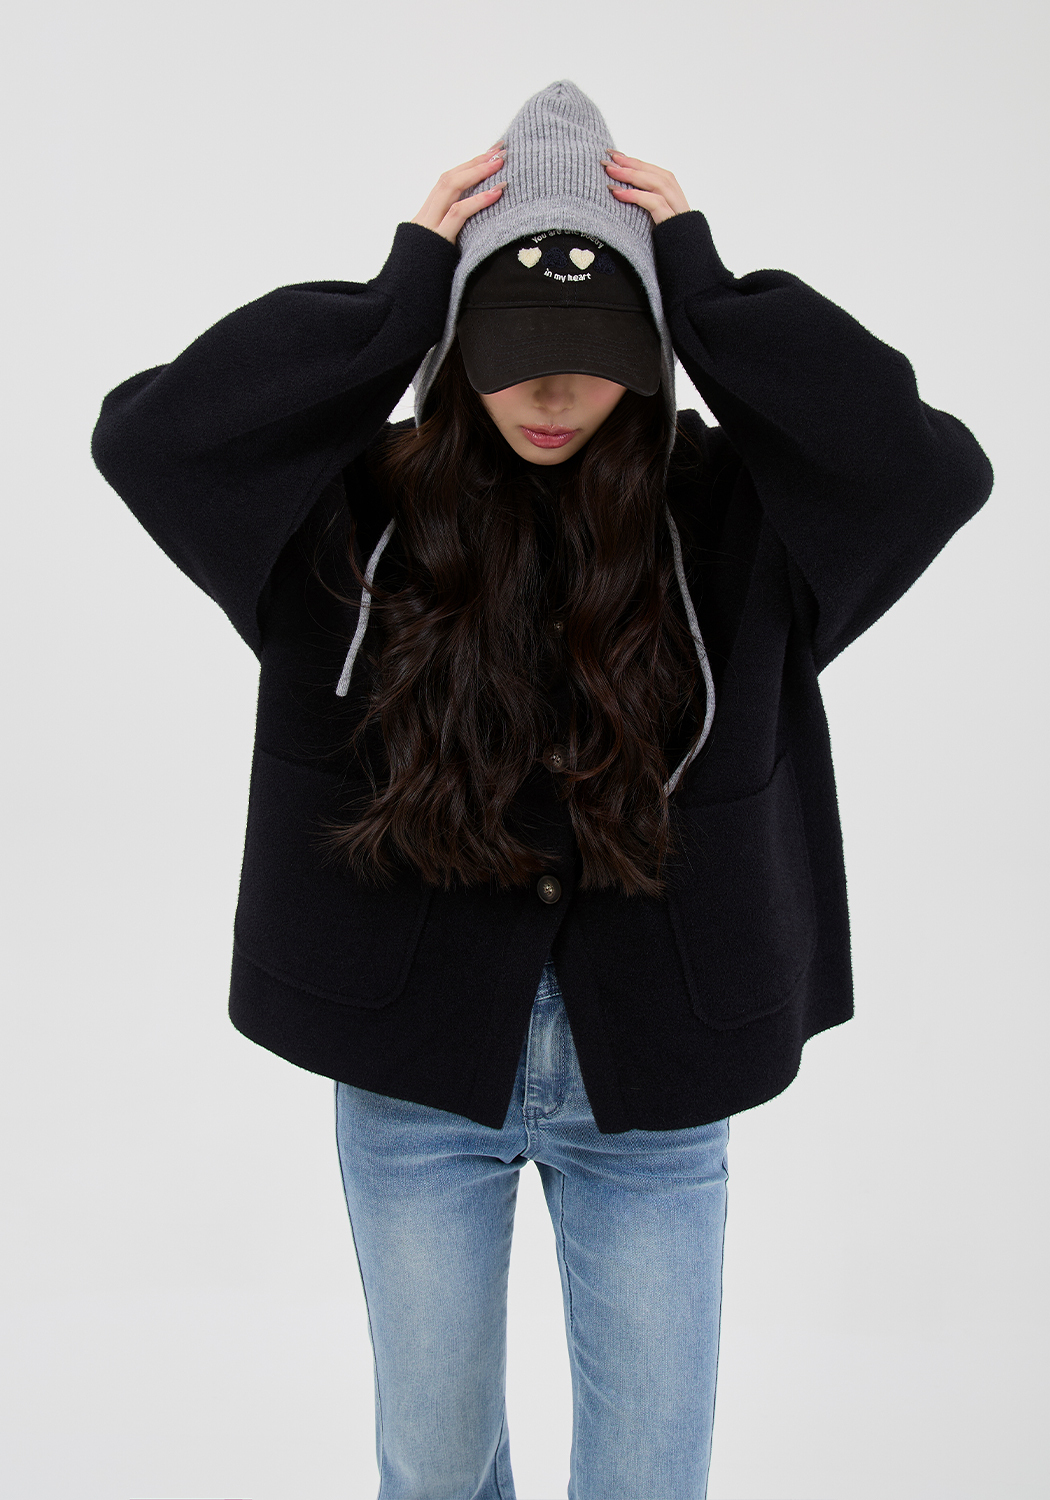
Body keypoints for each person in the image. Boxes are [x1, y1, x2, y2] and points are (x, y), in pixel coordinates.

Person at [90, 79, 993, 1500]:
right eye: (512, 352)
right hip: (416, 1080)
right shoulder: (355, 520)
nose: (553, 395)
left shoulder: (736, 519)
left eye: (593, 353)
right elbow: (153, 441)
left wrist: (709, 296)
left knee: (649, 1479)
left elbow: (927, 472)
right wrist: (395, 304)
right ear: (458, 350)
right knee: (436, 1469)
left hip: (659, 1082)